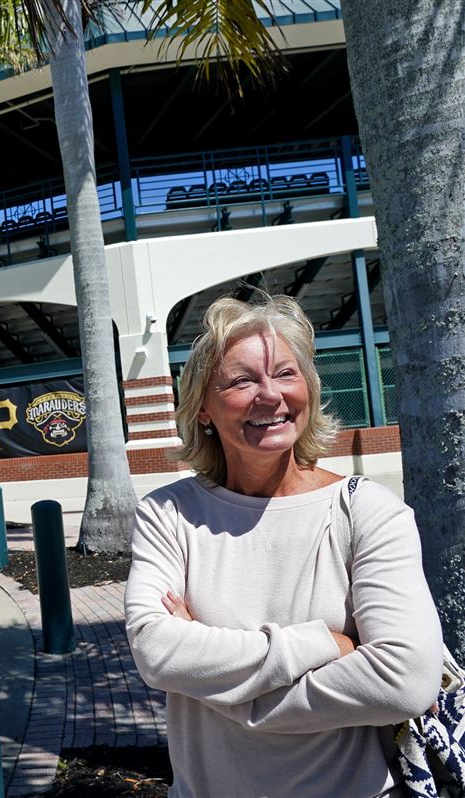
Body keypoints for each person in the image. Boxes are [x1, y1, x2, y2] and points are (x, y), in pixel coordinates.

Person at [124, 294, 443, 797]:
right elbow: (156, 652)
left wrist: (225, 694)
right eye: (242, 379)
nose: (269, 395)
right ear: (203, 407)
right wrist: (325, 645)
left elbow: (405, 679)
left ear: (309, 392)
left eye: (286, 374)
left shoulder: (367, 511)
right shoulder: (168, 513)